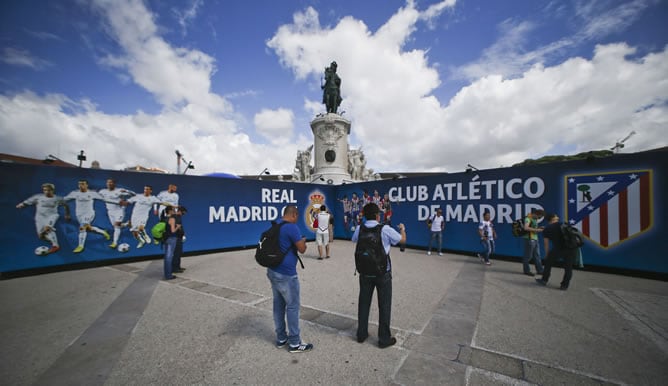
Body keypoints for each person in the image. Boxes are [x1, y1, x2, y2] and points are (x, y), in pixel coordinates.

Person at [352, 203, 406, 348]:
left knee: (363, 303)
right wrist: (402, 230)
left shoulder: (359, 229)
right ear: (377, 215)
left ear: (364, 215)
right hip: (382, 273)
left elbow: (354, 240)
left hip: (364, 273)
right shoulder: (385, 229)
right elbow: (402, 240)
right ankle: (383, 339)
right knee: (384, 305)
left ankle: (361, 334)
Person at [266, 205, 312, 353]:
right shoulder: (292, 228)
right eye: (297, 216)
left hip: (273, 271)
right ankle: (294, 343)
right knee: (292, 307)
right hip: (287, 274)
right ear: (294, 214)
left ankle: (281, 338)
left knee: (278, 305)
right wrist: (303, 240)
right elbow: (302, 249)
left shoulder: (276, 225)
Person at [16, 183, 69, 254]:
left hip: (52, 215)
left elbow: (66, 205)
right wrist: (22, 204)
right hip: (40, 217)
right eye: (45, 190)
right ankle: (52, 240)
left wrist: (67, 214)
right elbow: (28, 201)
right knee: (41, 236)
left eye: (49, 190)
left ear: (53, 190)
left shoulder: (58, 198)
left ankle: (55, 246)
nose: (46, 192)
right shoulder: (38, 197)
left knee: (47, 228)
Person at [63, 180, 111, 253]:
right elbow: (64, 200)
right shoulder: (74, 193)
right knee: (88, 228)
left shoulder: (92, 193)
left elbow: (105, 199)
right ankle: (103, 232)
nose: (80, 186)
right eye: (79, 184)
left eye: (82, 184)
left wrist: (118, 202)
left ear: (86, 185)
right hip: (79, 215)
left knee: (82, 227)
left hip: (89, 213)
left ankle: (80, 246)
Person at [536, 214, 577, 290]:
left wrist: (547, 254)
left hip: (558, 249)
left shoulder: (547, 229)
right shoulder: (565, 224)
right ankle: (564, 285)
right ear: (554, 219)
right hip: (572, 249)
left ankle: (544, 280)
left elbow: (546, 243)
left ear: (548, 221)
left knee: (548, 263)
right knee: (568, 268)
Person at [98, 178, 135, 249]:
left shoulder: (119, 191)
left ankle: (114, 243)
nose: (109, 184)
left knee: (117, 225)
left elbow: (134, 194)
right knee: (116, 226)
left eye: (111, 182)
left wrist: (127, 191)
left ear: (114, 184)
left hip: (119, 211)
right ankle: (127, 224)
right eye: (108, 182)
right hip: (110, 211)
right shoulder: (102, 191)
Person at [522, 209, 545, 276]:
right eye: (539, 217)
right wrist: (537, 230)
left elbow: (533, 228)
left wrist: (540, 228)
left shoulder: (534, 219)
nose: (539, 218)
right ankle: (526, 270)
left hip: (535, 239)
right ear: (535, 214)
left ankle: (540, 270)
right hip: (529, 239)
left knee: (537, 255)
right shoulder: (528, 218)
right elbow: (526, 228)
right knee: (528, 256)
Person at [162, 205, 180, 280]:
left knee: (166, 257)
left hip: (165, 238)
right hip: (171, 238)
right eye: (173, 210)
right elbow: (173, 231)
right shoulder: (172, 219)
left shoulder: (163, 218)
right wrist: (177, 227)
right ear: (169, 211)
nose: (174, 211)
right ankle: (168, 275)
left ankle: (166, 273)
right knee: (169, 257)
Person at [172, 206, 187, 273]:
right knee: (176, 253)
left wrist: (183, 234)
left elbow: (181, 227)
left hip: (179, 237)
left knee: (179, 253)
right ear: (180, 211)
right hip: (176, 237)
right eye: (183, 213)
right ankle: (174, 268)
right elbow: (177, 227)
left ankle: (178, 266)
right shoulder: (175, 217)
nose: (183, 215)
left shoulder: (179, 217)